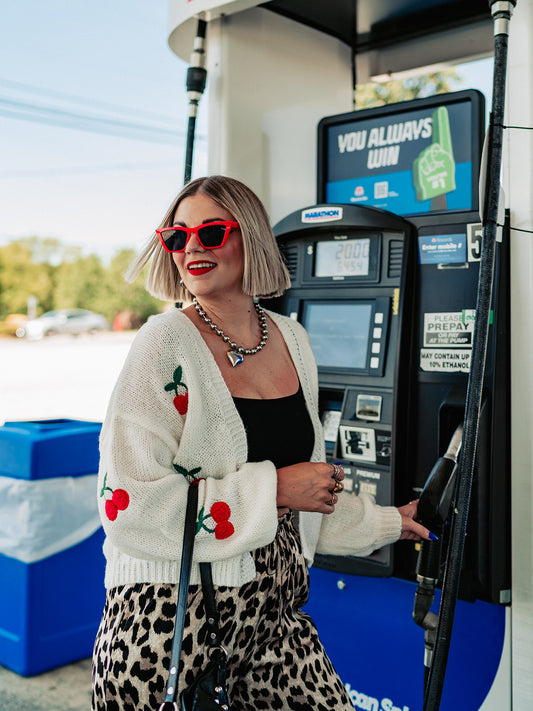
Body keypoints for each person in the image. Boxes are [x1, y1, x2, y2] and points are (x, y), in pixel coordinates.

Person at [92, 175, 433, 711]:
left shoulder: (292, 337)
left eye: (211, 232)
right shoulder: (163, 342)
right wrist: (273, 488)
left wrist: (393, 521)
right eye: (177, 237)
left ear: (249, 236)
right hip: (172, 630)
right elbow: (128, 506)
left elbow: (307, 496)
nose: (193, 249)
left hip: (275, 621)